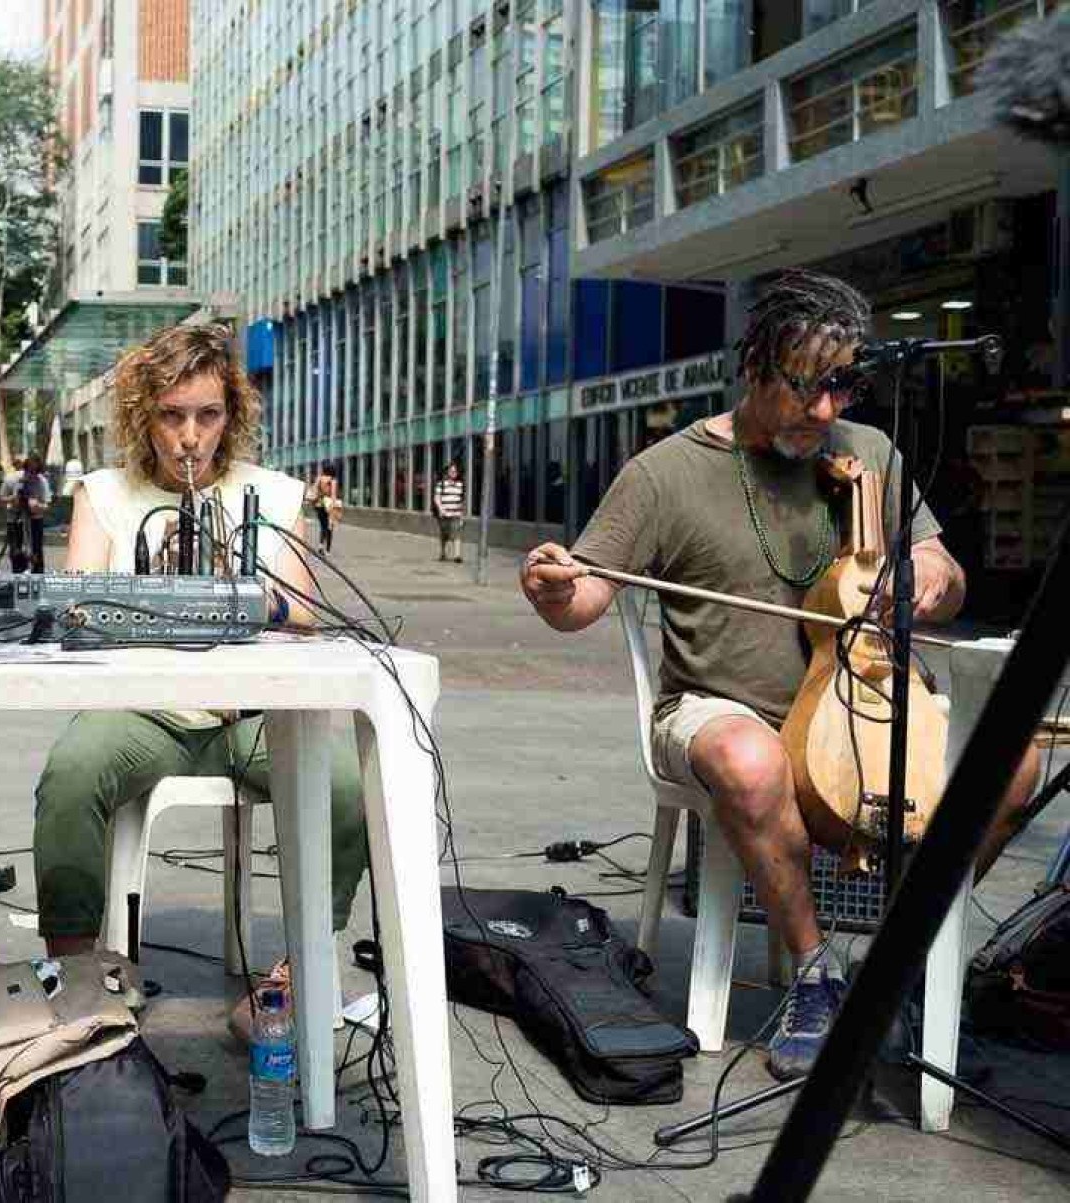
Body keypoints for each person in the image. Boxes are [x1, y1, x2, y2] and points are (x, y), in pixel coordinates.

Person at [518, 270, 1040, 1082]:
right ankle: (815, 974)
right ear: (755, 366)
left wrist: (933, 577)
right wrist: (553, 586)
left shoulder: (870, 454)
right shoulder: (664, 471)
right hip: (724, 711)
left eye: (841, 387)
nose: (826, 411)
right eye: (805, 388)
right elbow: (581, 595)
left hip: (866, 705)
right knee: (752, 760)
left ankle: (902, 961)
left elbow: (945, 567)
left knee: (1016, 763)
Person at [30, 322, 368, 1038]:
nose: (189, 436)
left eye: (207, 416)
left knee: (342, 781)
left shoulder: (272, 494)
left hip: (250, 719)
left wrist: (242, 589)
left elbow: (307, 606)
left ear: (232, 417)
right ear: (142, 415)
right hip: (143, 717)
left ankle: (291, 979)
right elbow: (78, 601)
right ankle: (76, 986)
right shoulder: (103, 492)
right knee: (70, 772)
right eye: (171, 415)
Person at [0, 453, 52, 573]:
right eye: (30, 471)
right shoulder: (11, 479)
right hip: (15, 519)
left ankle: (37, 577)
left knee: (36, 552)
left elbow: (47, 505)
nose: (32, 475)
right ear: (25, 469)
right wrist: (13, 499)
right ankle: (18, 576)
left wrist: (37, 506)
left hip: (34, 520)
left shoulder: (42, 482)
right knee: (16, 552)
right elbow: (1, 498)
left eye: (36, 472)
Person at [431, 460, 466, 562]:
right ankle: (443, 552)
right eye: (451, 471)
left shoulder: (460, 485)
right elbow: (436, 498)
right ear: (447, 472)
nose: (453, 473)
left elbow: (460, 501)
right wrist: (441, 509)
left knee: (457, 533)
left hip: (455, 514)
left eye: (455, 472)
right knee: (445, 534)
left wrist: (461, 515)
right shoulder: (441, 484)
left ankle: (457, 556)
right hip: (443, 515)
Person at [310, 462, 341, 554]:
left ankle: (320, 545)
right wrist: (334, 506)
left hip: (319, 504)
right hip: (328, 505)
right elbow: (333, 495)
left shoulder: (319, 479)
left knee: (323, 526)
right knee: (329, 526)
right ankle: (327, 549)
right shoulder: (333, 480)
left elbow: (314, 489)